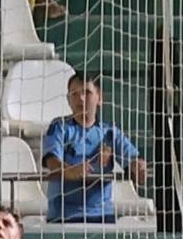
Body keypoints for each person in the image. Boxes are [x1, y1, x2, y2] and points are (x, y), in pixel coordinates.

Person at [41, 73, 148, 223]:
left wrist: (138, 167)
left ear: (100, 98)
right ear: (68, 100)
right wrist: (70, 171)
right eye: (74, 94)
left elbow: (132, 160)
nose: (80, 99)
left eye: (87, 92)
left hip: (102, 215)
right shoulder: (60, 127)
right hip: (64, 215)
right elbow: (52, 161)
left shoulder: (110, 132)